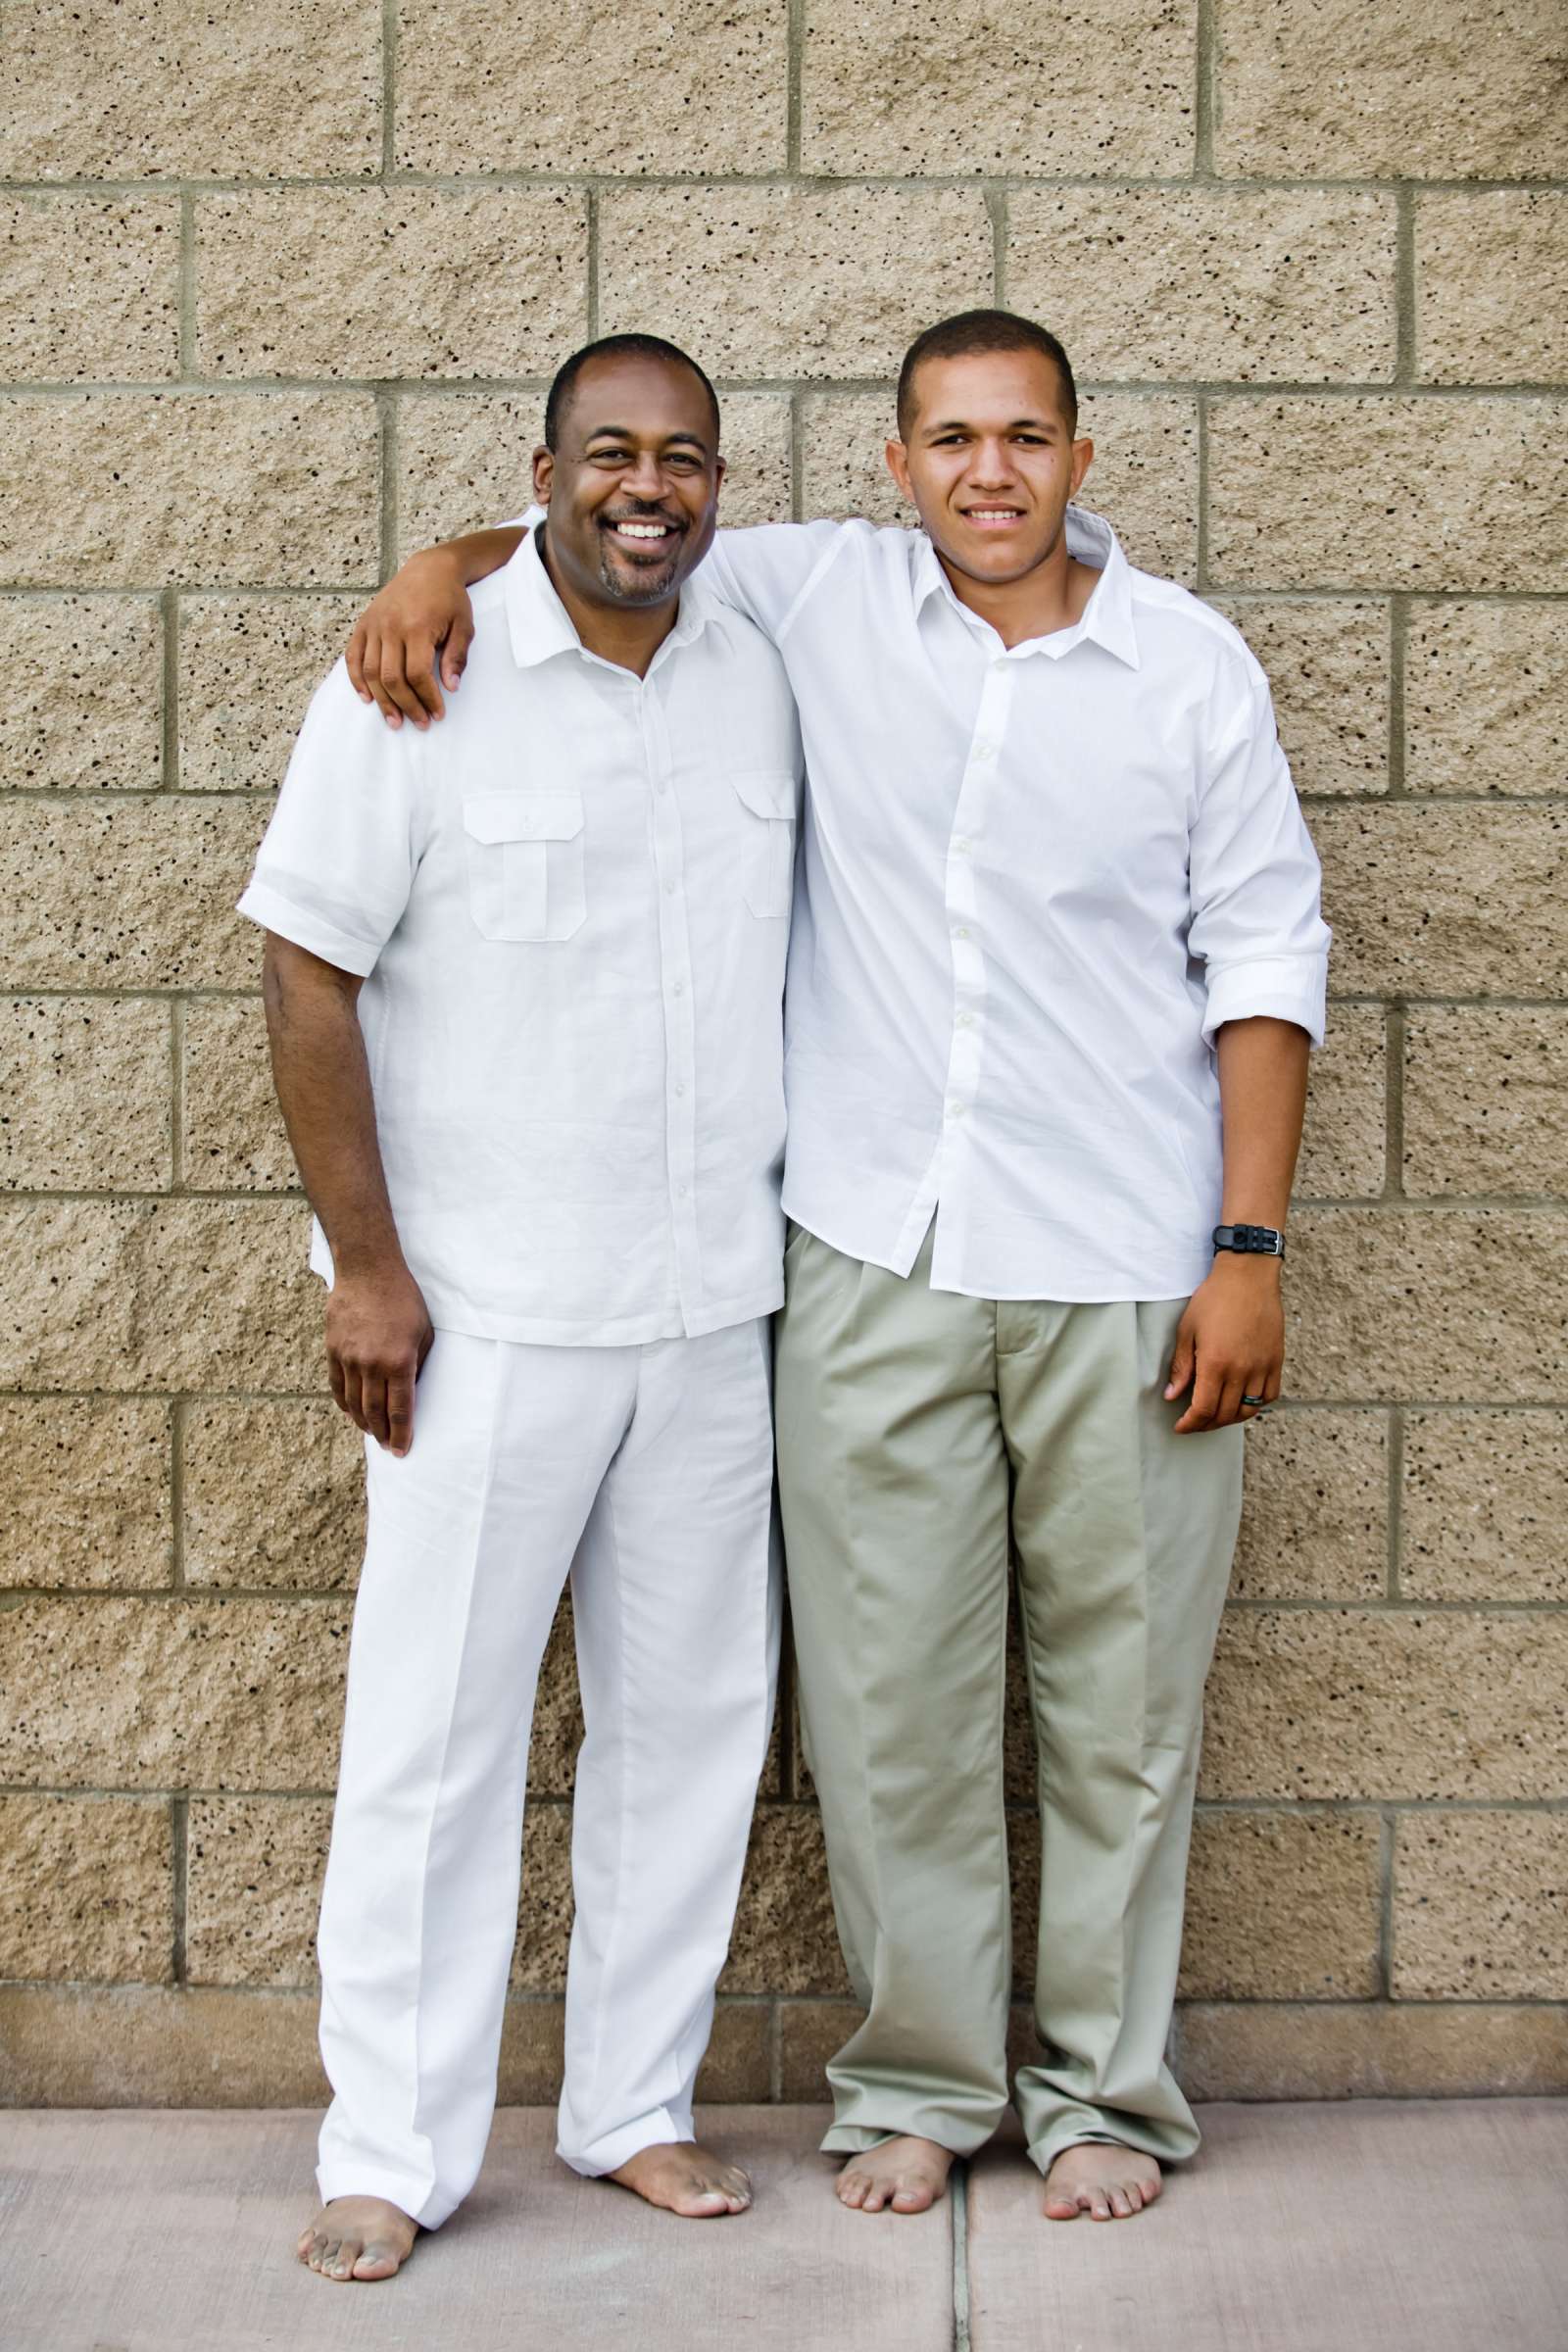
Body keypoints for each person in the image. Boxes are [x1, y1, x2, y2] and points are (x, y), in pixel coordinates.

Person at [339, 309, 1330, 2225]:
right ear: (892, 467)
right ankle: (922, 2086)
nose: (986, 471)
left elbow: (1264, 963)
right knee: (890, 1707)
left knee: (1118, 1709)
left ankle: (1104, 2100)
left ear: (1077, 459)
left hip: (1128, 1259)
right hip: (870, 1251)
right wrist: (422, 561)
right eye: (947, 438)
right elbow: (593, 532)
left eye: (1023, 437)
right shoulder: (815, 597)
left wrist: (1244, 1251)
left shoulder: (1187, 671)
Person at [238, 333, 803, 2283]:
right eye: (605, 458)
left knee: (690, 1727)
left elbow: (672, 538)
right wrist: (368, 1273)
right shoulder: (423, 675)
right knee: (436, 1738)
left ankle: (632, 2105)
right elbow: (309, 973)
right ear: (541, 469)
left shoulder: (764, 655)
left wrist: (462, 540)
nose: (646, 490)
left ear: (722, 482)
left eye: (684, 461)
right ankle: (389, 2147)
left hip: (711, 1306)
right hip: (475, 1318)